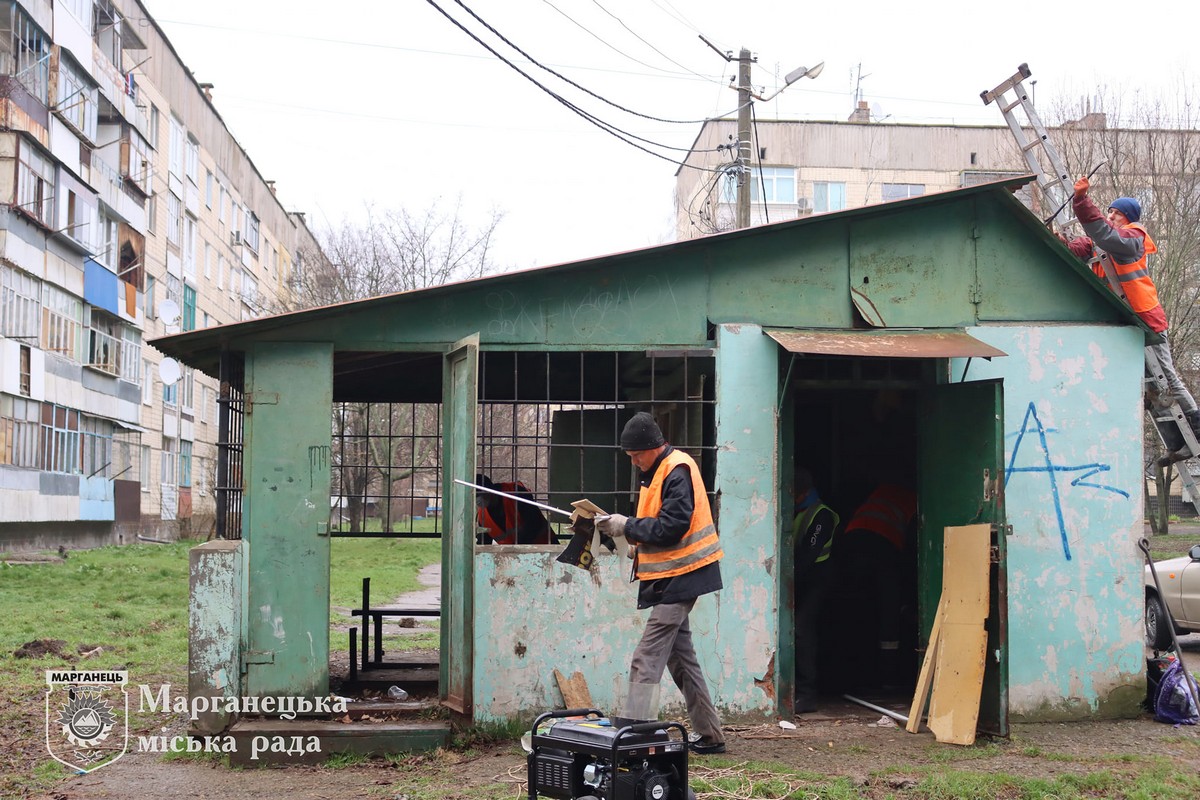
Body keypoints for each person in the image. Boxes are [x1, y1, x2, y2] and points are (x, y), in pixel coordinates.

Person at [596, 411, 726, 755]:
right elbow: (659, 526)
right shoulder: (658, 472)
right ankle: (710, 735)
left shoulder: (676, 469)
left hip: (686, 574)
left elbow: (673, 526)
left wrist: (628, 527)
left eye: (637, 455)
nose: (634, 461)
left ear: (655, 446)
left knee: (646, 656)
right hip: (675, 575)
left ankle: (633, 740)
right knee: (681, 659)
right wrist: (629, 542)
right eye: (630, 456)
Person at [1060, 177, 1200, 447]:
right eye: (1110, 211)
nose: (1111, 215)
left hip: (1148, 319)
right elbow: (1082, 247)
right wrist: (1057, 240)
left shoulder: (1133, 238)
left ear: (1129, 218)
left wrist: (1081, 201)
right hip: (1128, 321)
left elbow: (1105, 235)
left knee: (1167, 376)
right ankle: (1177, 442)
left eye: (1116, 213)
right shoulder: (1105, 242)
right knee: (1149, 384)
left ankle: (1196, 423)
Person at [834, 481, 917, 691]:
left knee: (859, 606)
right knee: (889, 612)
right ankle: (887, 677)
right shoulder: (915, 501)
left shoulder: (881, 491)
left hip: (851, 544)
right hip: (884, 549)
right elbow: (913, 544)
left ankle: (850, 672)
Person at [790, 468, 839, 713]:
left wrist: (789, 583)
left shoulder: (822, 515)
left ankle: (807, 694)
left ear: (805, 492)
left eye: (795, 494)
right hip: (803, 579)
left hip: (818, 579)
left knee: (801, 630)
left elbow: (809, 556)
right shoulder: (798, 512)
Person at [474, 474, 554, 545]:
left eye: (479, 495)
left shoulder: (516, 493)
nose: (477, 500)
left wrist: (516, 548)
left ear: (490, 490)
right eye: (475, 496)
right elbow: (484, 543)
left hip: (545, 546)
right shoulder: (483, 517)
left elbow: (534, 523)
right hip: (513, 557)